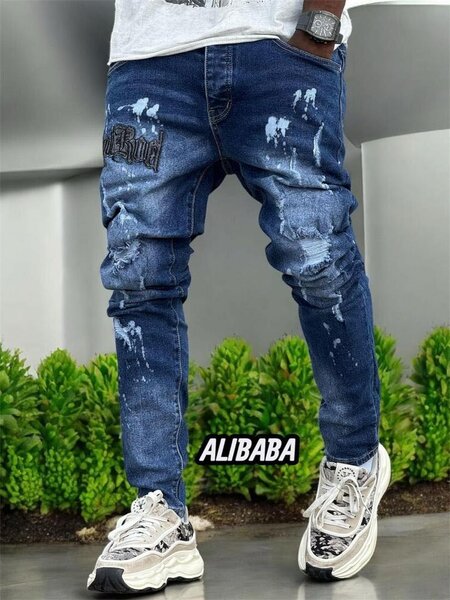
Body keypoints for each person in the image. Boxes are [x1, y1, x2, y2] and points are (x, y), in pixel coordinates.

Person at [87, 0, 391, 593]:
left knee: (318, 259)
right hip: (147, 62)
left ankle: (355, 461)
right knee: (138, 279)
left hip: (280, 49)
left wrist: (320, 26)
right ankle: (159, 510)